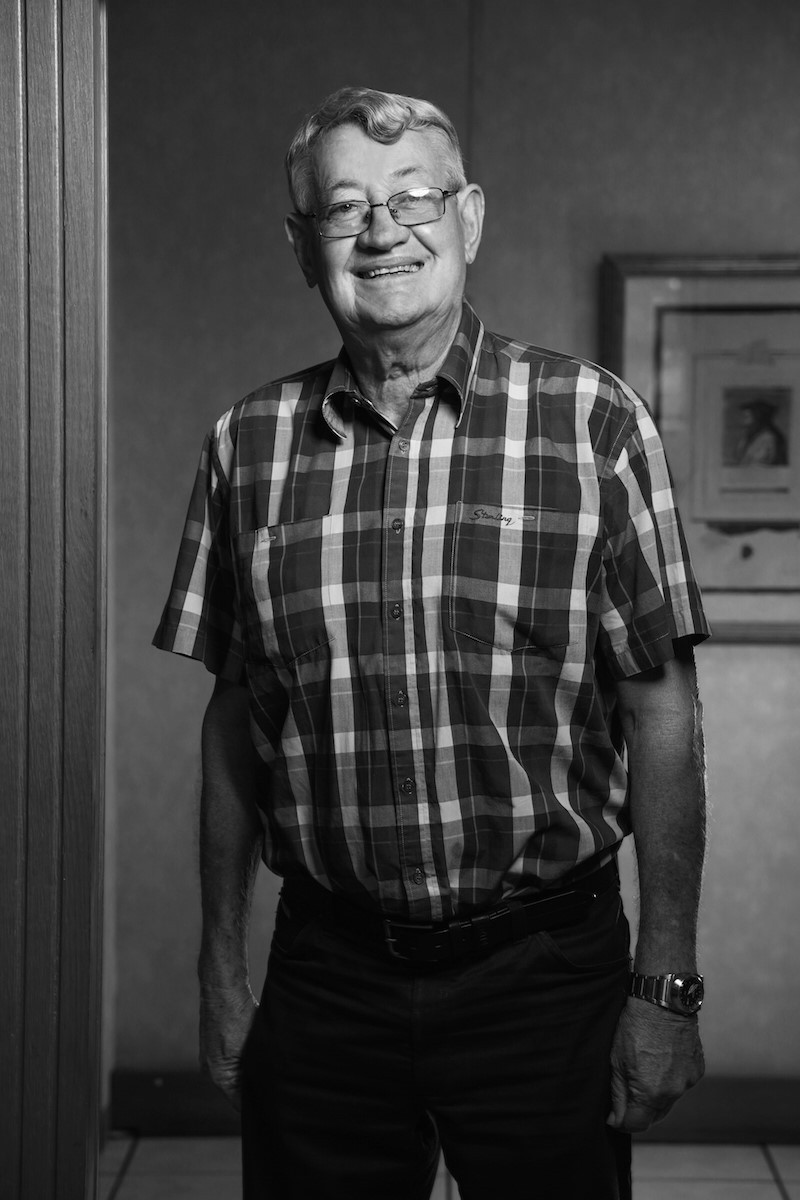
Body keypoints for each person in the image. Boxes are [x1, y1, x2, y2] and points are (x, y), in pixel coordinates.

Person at [154, 86, 709, 1200]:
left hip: (545, 975)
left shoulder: (593, 420)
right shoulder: (245, 446)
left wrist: (665, 986)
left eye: (414, 197)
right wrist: (219, 967)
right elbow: (234, 721)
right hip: (328, 981)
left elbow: (662, 711)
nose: (382, 231)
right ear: (302, 246)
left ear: (469, 219)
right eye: (343, 206)